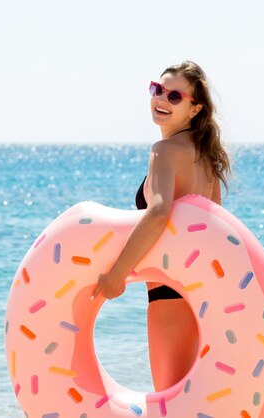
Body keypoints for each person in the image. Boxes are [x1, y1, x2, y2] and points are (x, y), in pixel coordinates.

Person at [91, 60, 232, 392]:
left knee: (171, 398)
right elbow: (215, 226)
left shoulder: (165, 150)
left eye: (174, 96)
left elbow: (157, 214)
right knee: (196, 401)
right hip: (201, 295)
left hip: (168, 295)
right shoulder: (206, 156)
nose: (161, 100)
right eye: (157, 89)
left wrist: (117, 275)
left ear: (195, 108)